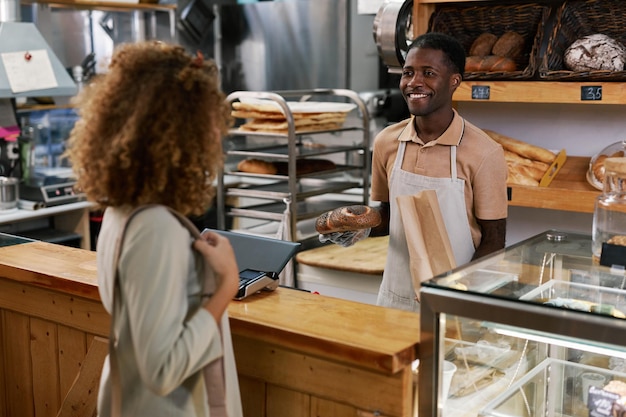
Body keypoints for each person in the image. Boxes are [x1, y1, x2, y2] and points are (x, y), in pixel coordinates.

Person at [66, 41, 241, 416]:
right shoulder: (155, 229)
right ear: (177, 128)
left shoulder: (123, 212)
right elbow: (163, 370)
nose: (217, 130)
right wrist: (227, 284)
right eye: (207, 116)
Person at [320, 32, 508, 312]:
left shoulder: (484, 152)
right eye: (408, 72)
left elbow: (494, 239)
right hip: (396, 293)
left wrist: (463, 295)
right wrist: (358, 224)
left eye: (428, 73)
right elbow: (388, 216)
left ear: (454, 81)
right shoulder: (387, 141)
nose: (414, 82)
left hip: (455, 297)